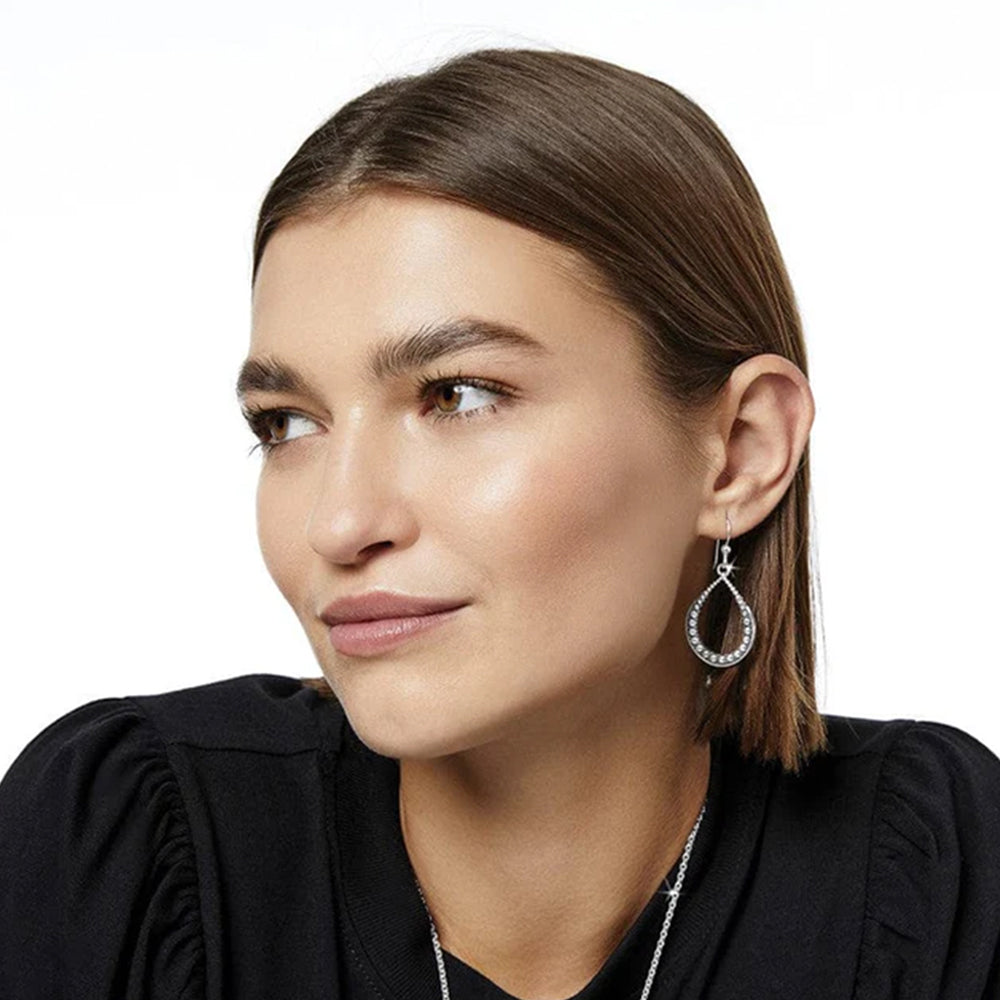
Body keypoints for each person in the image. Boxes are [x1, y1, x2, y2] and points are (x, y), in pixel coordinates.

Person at [1, 45, 998, 1000]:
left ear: (739, 451)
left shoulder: (931, 876)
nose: (341, 522)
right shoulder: (126, 845)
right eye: (288, 422)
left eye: (459, 396)